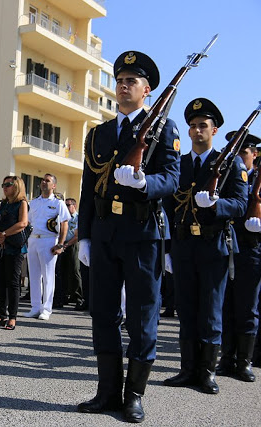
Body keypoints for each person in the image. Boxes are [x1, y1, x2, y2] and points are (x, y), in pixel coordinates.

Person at [77, 51, 180, 423]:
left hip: (142, 234)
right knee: (103, 312)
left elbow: (172, 179)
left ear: (147, 89)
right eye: (120, 79)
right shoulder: (99, 134)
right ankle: (107, 392)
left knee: (141, 314)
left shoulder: (164, 130)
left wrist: (144, 182)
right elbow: (88, 188)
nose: (123, 85)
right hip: (104, 234)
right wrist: (84, 235)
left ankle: (134, 395)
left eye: (131, 81)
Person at [164, 98, 247, 395]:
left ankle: (207, 372)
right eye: (193, 126)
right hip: (185, 245)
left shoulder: (229, 164)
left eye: (203, 126)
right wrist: (168, 249)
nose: (197, 130)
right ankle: (187, 369)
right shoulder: (179, 164)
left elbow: (240, 204)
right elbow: (168, 205)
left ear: (214, 130)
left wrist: (217, 203)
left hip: (214, 245)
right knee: (186, 308)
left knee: (211, 311)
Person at [215, 133, 261, 383]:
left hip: (251, 248)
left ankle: (244, 361)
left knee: (247, 306)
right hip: (227, 246)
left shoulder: (258, 180)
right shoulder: (228, 177)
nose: (240, 158)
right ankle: (226, 359)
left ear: (254, 154)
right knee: (227, 305)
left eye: (244, 153)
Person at [25, 174, 70, 320]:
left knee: (48, 276)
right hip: (33, 240)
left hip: (49, 240)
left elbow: (64, 224)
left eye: (47, 181)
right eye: (43, 180)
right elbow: (29, 222)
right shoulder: (34, 202)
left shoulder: (58, 204)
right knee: (34, 275)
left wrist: (60, 244)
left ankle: (47, 308)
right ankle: (35, 307)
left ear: (54, 185)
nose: (44, 183)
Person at [0, 176, 29, 330]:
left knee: (13, 283)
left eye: (8, 185)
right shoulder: (3, 204)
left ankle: (12, 317)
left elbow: (23, 223)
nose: (5, 187)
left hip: (14, 248)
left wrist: (4, 234)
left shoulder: (22, 203)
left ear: (17, 186)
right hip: (0, 247)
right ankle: (0, 315)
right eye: (3, 184)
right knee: (0, 282)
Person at [62, 198, 84, 310]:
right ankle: (67, 294)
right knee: (65, 271)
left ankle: (78, 296)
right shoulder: (64, 217)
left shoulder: (78, 218)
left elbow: (77, 235)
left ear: (74, 206)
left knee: (75, 270)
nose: (66, 207)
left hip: (73, 244)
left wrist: (67, 244)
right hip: (64, 244)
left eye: (68, 205)